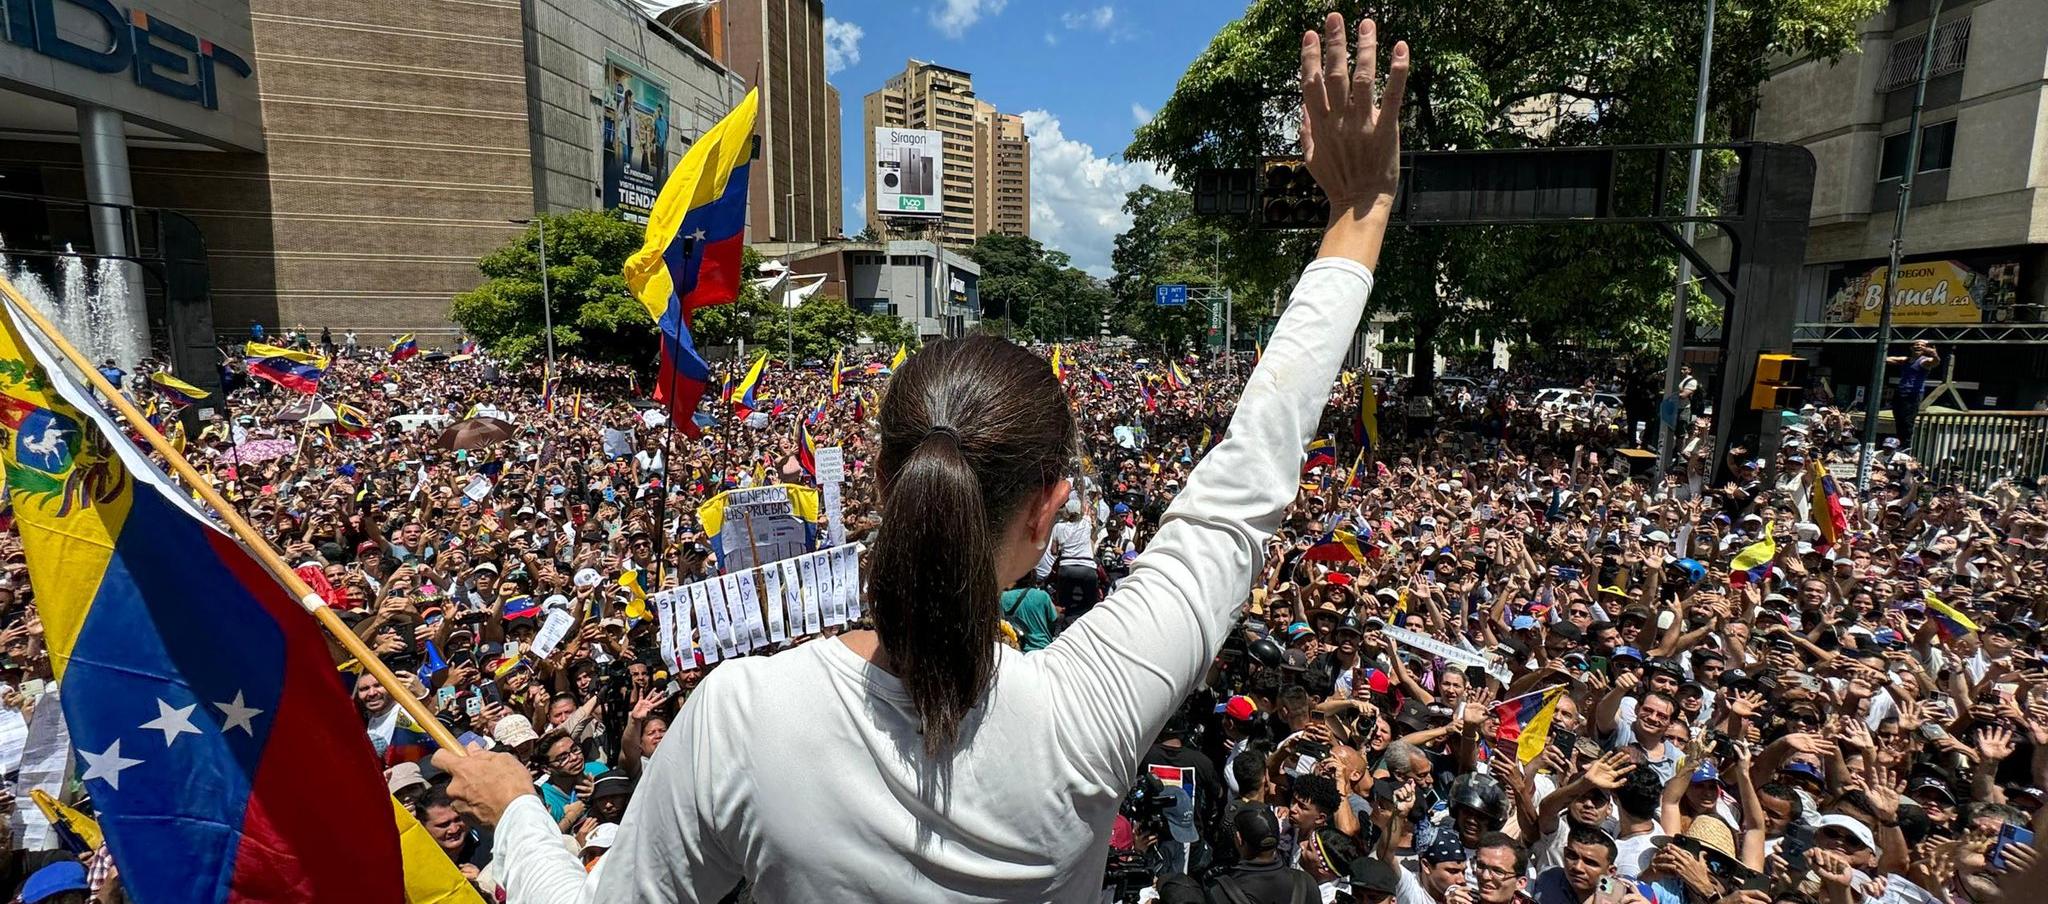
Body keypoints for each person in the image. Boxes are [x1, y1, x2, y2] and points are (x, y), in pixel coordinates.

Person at [433, 14, 1412, 900]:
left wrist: (519, 810)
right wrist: (1356, 213)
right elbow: (1244, 480)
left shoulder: (744, 717)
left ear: (874, 480)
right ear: (1047, 511)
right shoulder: (1091, 709)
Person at [1885, 339, 1939, 446]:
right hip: (1900, 392)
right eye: (1916, 344)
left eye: (1922, 345)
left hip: (1913, 394)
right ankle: (1900, 443)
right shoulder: (1907, 360)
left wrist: (1934, 354)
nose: (1919, 346)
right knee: (1898, 419)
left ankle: (1906, 445)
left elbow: (1935, 362)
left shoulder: (1924, 361)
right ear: (1911, 348)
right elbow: (1887, 359)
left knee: (1907, 421)